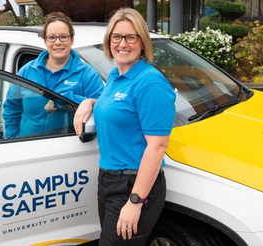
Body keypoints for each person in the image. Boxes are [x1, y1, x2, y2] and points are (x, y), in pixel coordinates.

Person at [73, 8, 176, 246]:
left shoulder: (150, 82)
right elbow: (120, 108)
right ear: (109, 41)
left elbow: (157, 146)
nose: (123, 44)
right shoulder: (115, 75)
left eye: (131, 37)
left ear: (142, 42)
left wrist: (136, 201)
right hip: (108, 179)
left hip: (133, 184)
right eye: (116, 37)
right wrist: (90, 102)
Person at [3, 12, 104, 139]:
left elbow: (102, 108)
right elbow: (12, 107)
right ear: (45, 40)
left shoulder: (87, 75)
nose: (57, 42)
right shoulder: (27, 71)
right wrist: (12, 138)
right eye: (51, 37)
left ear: (72, 39)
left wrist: (66, 98)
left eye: (63, 37)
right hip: (27, 145)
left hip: (66, 149)